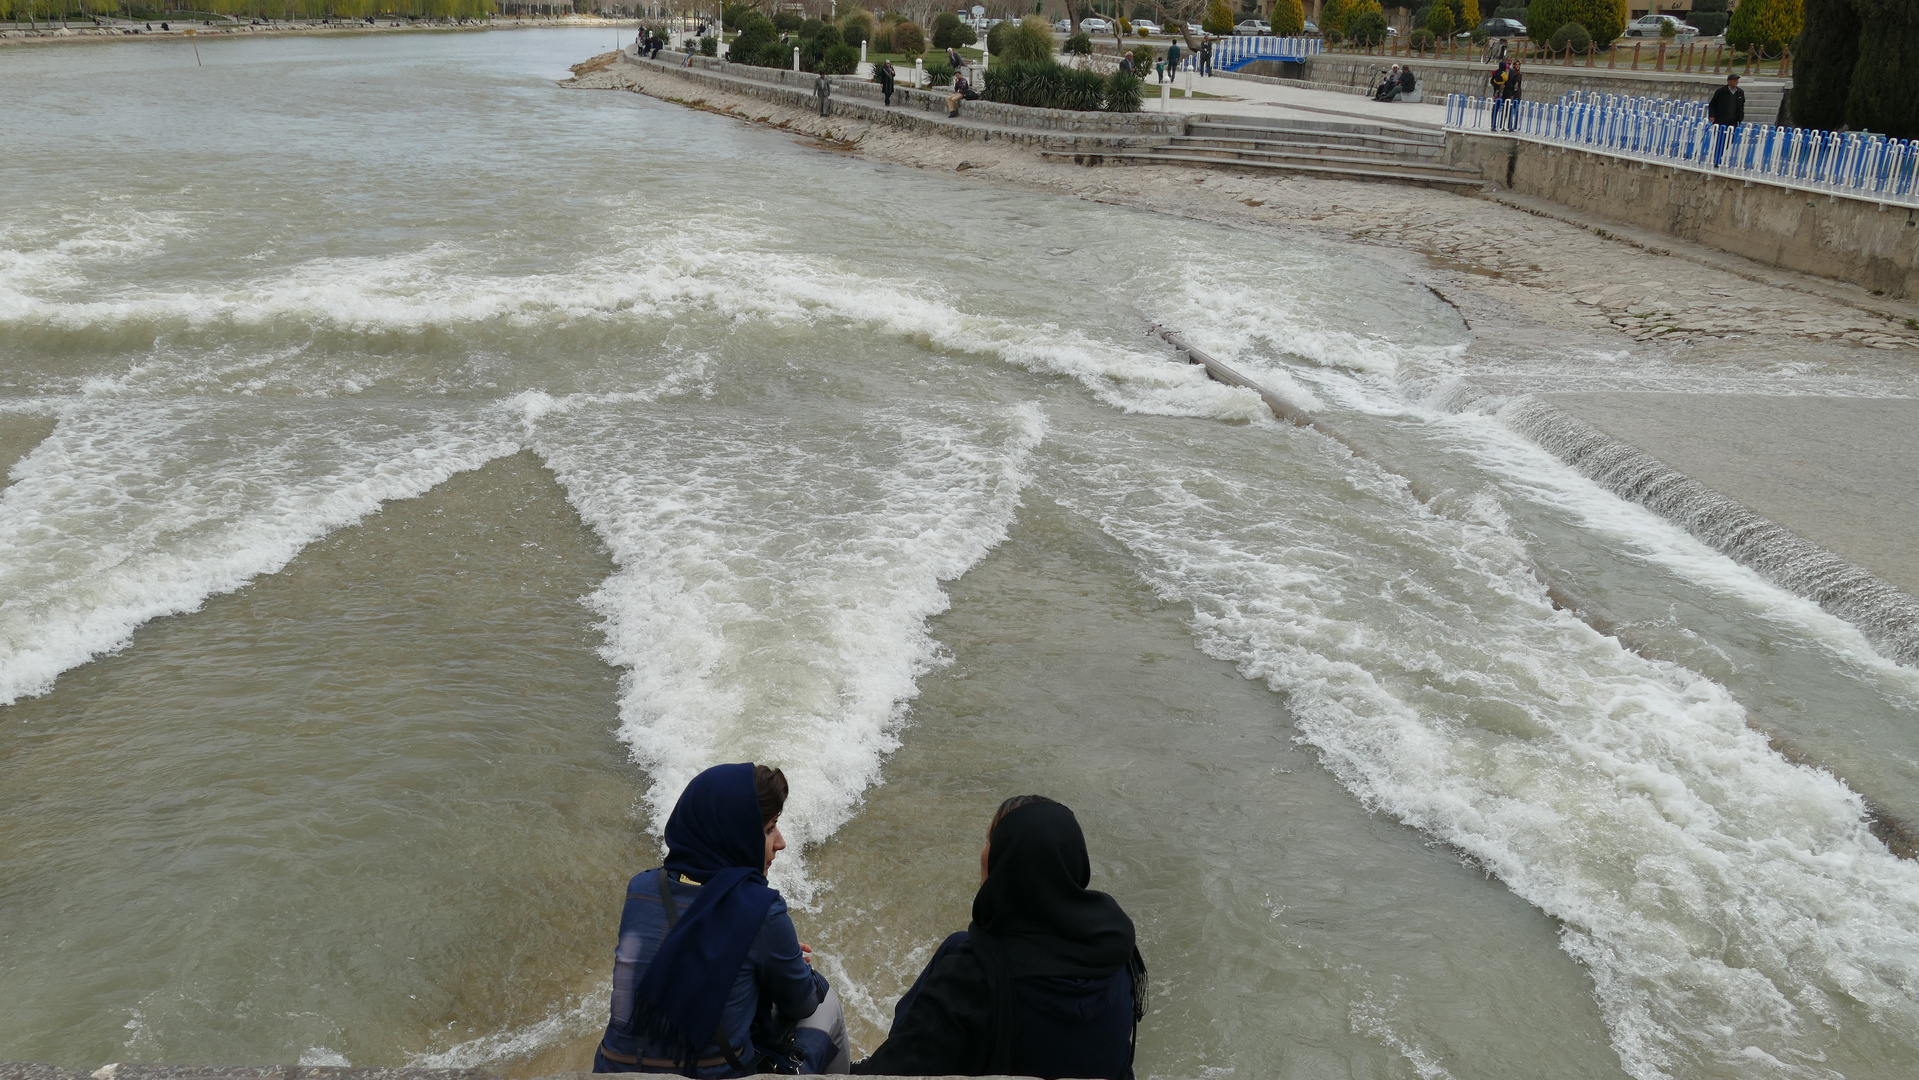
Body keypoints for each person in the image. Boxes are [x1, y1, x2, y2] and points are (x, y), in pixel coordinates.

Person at [851, 796, 1146, 1080]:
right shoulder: (1116, 950)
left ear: (1006, 859)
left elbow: (892, 1071)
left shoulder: (973, 973)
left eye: (991, 840)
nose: (984, 850)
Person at [594, 764, 848, 1076]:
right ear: (736, 837)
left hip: (613, 1070)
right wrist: (789, 960)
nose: (780, 842)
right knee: (826, 1004)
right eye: (769, 829)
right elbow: (801, 1003)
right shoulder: (761, 910)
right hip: (715, 1074)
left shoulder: (641, 888)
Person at [1708, 74, 1744, 164]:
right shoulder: (1721, 92)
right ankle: (1717, 159)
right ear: (1729, 81)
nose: (1736, 82)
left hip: (1733, 121)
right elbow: (1712, 104)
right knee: (1720, 139)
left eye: (1737, 80)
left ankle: (1719, 154)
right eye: (1734, 80)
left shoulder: (1740, 92)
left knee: (1729, 140)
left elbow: (1741, 105)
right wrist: (1712, 116)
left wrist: (1740, 117)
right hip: (1721, 120)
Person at [1487, 59, 1510, 128]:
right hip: (1498, 93)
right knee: (1495, 108)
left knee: (1505, 110)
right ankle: (1493, 124)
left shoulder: (1510, 72)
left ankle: (1501, 125)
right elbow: (1492, 81)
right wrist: (1499, 86)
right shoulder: (1498, 73)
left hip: (1506, 94)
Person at [1500, 60, 1522, 131]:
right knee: (1507, 110)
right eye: (1516, 64)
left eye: (1519, 65)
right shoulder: (1512, 73)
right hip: (1510, 93)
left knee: (1515, 111)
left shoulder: (1520, 74)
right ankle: (1503, 125)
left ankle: (1513, 126)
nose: (1517, 66)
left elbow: (1518, 85)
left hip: (1516, 94)